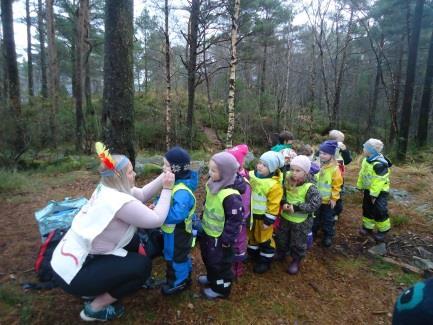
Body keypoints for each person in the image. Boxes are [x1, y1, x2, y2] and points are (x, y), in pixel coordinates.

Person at [51, 142, 175, 322]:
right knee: (142, 267)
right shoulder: (118, 201)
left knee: (133, 243)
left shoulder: (107, 187)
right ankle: (95, 308)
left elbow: (140, 195)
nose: (135, 174)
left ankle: (96, 285)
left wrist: (165, 175)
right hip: (74, 274)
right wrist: (167, 188)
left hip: (66, 261)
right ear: (120, 176)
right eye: (131, 172)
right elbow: (156, 219)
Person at [198, 152, 244, 299]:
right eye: (209, 169)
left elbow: (235, 220)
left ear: (225, 173)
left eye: (214, 170)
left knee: (221, 264)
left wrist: (227, 240)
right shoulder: (212, 185)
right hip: (209, 233)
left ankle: (222, 288)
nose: (210, 173)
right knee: (210, 259)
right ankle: (212, 279)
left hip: (221, 239)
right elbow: (209, 205)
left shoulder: (230, 195)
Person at [160, 147, 198, 295]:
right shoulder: (175, 183)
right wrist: (157, 204)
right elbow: (167, 198)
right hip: (172, 232)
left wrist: (159, 213)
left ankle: (178, 282)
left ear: (177, 168)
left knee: (176, 258)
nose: (163, 168)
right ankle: (183, 276)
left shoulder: (182, 191)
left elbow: (177, 214)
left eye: (166, 165)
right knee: (176, 256)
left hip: (179, 233)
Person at [275, 155, 321, 274]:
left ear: (305, 172)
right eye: (292, 169)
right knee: (282, 237)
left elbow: (314, 204)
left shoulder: (310, 187)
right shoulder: (288, 181)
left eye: (298, 170)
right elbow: (282, 195)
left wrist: (296, 207)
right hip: (285, 218)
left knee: (298, 242)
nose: (294, 173)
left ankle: (296, 259)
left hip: (301, 223)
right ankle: (281, 252)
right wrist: (283, 203)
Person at [248, 151, 284, 274]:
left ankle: (265, 259)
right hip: (251, 215)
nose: (260, 166)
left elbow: (274, 204)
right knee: (252, 235)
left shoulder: (274, 185)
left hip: (263, 218)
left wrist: (269, 220)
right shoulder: (251, 175)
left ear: (272, 169)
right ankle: (252, 252)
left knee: (264, 238)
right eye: (259, 163)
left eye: (265, 165)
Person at [357, 138, 392, 242]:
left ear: (371, 151)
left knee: (379, 210)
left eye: (365, 148)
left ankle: (383, 229)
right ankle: (368, 227)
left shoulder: (379, 164)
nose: (363, 149)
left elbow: (379, 181)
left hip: (380, 192)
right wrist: (360, 185)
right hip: (368, 190)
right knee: (367, 208)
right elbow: (362, 174)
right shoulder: (366, 160)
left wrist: (374, 195)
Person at [227, 144, 252, 278]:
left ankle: (237, 268)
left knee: (238, 242)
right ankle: (228, 264)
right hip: (229, 219)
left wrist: (240, 219)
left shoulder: (243, 183)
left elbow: (245, 204)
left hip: (238, 221)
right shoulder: (229, 177)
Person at [312, 140, 343, 247]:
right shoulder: (316, 164)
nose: (322, 155)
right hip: (315, 199)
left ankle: (328, 235)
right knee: (314, 217)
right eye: (320, 153)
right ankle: (313, 232)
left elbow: (337, 185)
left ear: (331, 155)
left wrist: (334, 198)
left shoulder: (334, 168)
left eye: (325, 153)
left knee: (327, 219)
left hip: (327, 201)